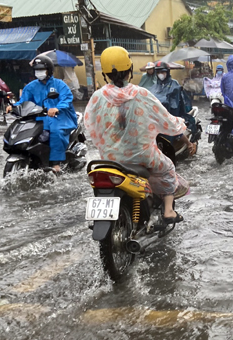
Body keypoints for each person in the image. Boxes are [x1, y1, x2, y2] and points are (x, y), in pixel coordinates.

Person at [83, 46, 195, 224]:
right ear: (129, 69)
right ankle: (168, 212)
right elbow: (166, 120)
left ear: (104, 73)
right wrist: (180, 124)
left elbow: (90, 127)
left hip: (110, 159)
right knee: (168, 170)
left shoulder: (97, 97)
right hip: (143, 157)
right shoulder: (141, 94)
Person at [5, 55, 77, 174]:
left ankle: (56, 163)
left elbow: (67, 98)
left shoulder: (60, 85)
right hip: (40, 117)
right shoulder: (31, 86)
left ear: (49, 70)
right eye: (37, 70)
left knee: (56, 131)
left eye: (41, 69)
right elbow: (24, 101)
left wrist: (56, 108)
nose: (39, 72)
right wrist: (13, 106)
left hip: (60, 117)